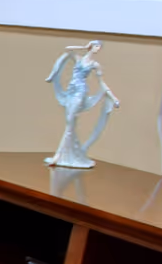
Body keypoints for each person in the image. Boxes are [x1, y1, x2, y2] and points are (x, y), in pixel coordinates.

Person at [44, 40, 120, 168]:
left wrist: (113, 97)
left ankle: (58, 156)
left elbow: (101, 82)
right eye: (96, 46)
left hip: (80, 92)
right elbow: (67, 49)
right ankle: (70, 154)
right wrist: (84, 47)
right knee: (70, 123)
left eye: (99, 47)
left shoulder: (95, 64)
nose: (98, 48)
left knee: (70, 122)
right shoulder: (78, 58)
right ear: (91, 45)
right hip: (71, 90)